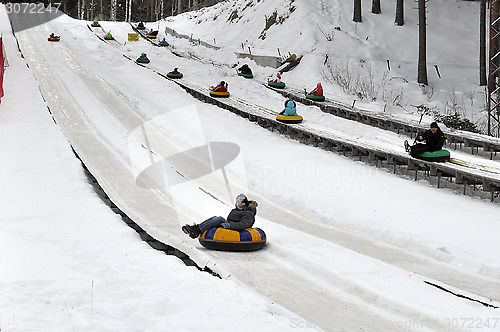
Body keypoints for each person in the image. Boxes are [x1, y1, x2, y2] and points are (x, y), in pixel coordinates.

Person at [182, 194, 258, 239]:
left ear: (245, 203)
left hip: (237, 230)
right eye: (237, 202)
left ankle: (197, 230)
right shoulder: (236, 210)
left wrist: (230, 225)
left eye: (241, 202)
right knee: (214, 218)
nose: (239, 204)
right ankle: (196, 228)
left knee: (220, 219)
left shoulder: (248, 213)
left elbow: (243, 224)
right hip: (230, 226)